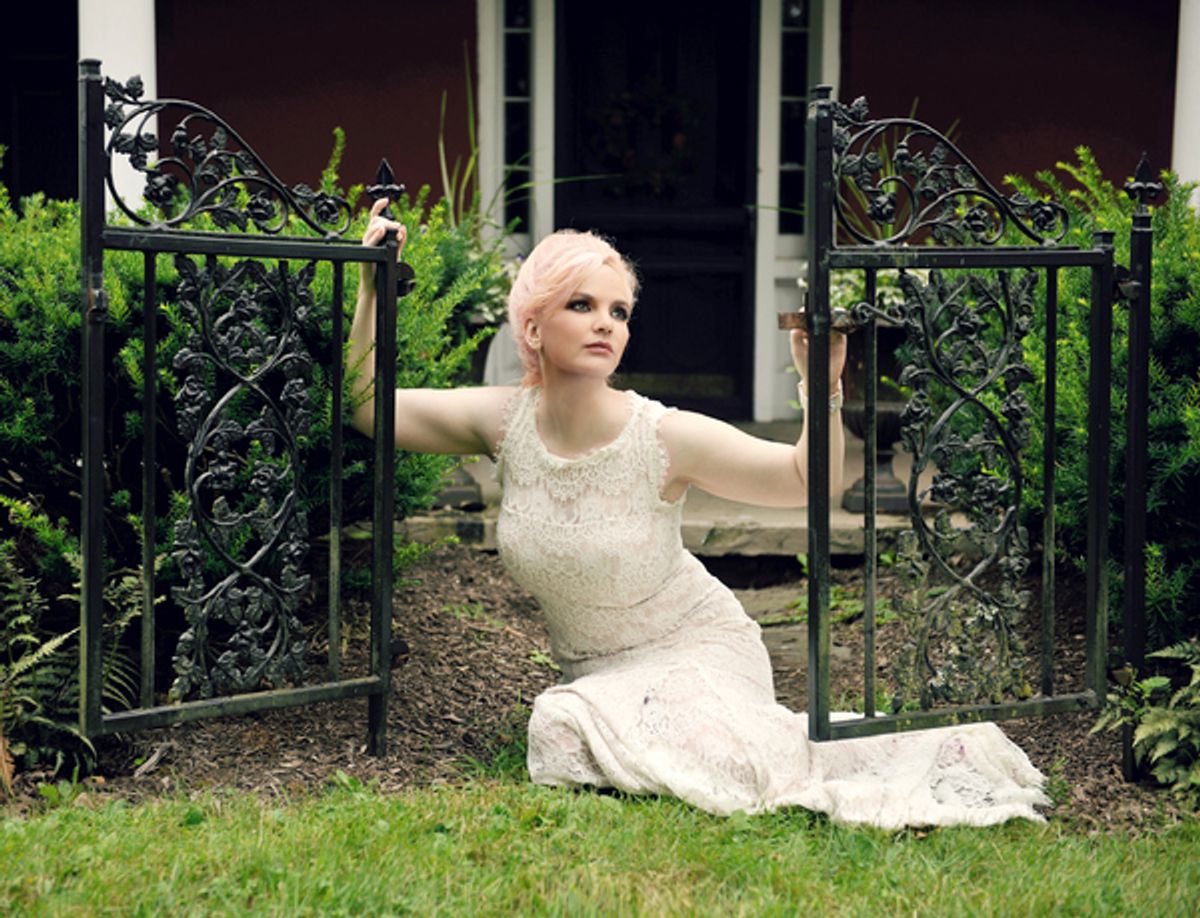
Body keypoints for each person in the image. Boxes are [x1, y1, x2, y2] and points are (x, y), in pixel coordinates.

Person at [349, 198, 1048, 827]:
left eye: (620, 312)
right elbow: (365, 406)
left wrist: (820, 387)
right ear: (532, 325)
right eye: (583, 305)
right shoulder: (501, 420)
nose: (606, 325)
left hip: (695, 648)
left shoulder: (661, 435)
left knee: (726, 759)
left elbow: (808, 484)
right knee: (556, 730)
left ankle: (922, 752)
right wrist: (370, 287)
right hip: (594, 673)